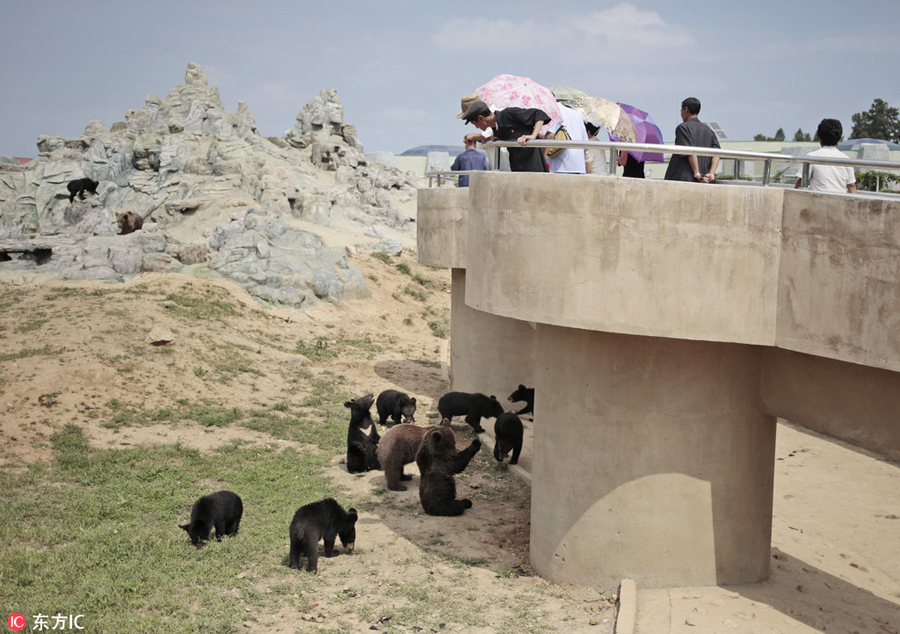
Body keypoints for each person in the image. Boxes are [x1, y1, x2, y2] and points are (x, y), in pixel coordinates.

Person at [460, 100, 550, 173]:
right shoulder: (496, 128)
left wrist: (533, 136)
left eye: (475, 123)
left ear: (480, 118)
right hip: (517, 168)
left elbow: (539, 115)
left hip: (533, 165)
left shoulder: (509, 114)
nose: (476, 127)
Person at [664, 97, 720, 183]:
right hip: (705, 179)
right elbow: (717, 153)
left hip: (684, 178)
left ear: (686, 109)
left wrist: (697, 174)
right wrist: (711, 173)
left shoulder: (682, 128)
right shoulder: (709, 131)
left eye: (681, 110)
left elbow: (689, 151)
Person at [794, 119, 857, 194]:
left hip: (818, 201)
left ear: (819, 138)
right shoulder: (846, 159)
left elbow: (801, 182)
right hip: (840, 201)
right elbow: (852, 185)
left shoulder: (812, 157)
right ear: (839, 137)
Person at [543, 104, 588, 174]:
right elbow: (585, 142)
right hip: (578, 165)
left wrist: (543, 157)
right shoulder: (576, 114)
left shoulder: (554, 112)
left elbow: (550, 136)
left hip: (559, 165)